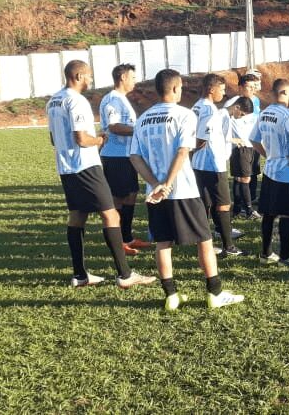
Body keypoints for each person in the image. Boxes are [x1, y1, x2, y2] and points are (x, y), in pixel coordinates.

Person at [130, 69, 244, 310]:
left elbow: (135, 157)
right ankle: (215, 293)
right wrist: (168, 184)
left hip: (155, 193)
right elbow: (183, 151)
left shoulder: (143, 118)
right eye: (180, 87)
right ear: (173, 88)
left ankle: (171, 295)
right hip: (182, 189)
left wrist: (156, 183)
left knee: (163, 243)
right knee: (203, 240)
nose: (182, 91)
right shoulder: (184, 115)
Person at [47, 60, 154, 289]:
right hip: (85, 166)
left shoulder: (53, 100)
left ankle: (80, 275)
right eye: (89, 76)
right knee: (111, 216)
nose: (91, 80)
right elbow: (82, 139)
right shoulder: (76, 101)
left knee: (77, 216)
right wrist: (100, 140)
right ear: (78, 76)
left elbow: (53, 139)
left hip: (66, 167)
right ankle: (125, 276)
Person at [250, 78, 289, 266]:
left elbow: (254, 140)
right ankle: (286, 256)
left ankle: (266, 254)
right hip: (287, 172)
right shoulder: (287, 115)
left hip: (270, 170)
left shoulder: (264, 113)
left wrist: (269, 155)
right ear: (284, 93)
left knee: (269, 213)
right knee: (287, 214)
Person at [99, 62, 151, 255]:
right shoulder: (113, 99)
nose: (135, 81)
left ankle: (127, 237)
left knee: (130, 194)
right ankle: (119, 241)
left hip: (126, 155)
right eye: (133, 77)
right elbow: (114, 127)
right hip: (115, 156)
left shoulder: (122, 99)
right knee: (118, 198)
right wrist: (140, 130)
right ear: (123, 78)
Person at [192, 73, 244, 256]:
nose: (223, 93)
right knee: (223, 204)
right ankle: (229, 247)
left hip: (198, 164)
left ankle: (205, 244)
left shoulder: (196, 106)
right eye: (221, 89)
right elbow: (200, 138)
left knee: (205, 203)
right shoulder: (208, 109)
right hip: (212, 163)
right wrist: (192, 149)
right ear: (210, 89)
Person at [228, 80, 259, 220]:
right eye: (250, 86)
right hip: (241, 148)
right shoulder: (232, 106)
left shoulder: (252, 104)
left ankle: (237, 208)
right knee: (243, 179)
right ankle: (248, 210)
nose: (252, 89)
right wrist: (232, 140)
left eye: (254, 87)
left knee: (242, 178)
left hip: (251, 147)